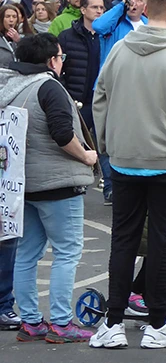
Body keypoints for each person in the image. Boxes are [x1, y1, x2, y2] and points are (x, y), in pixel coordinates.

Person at [90, 0, 166, 350]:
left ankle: (113, 322)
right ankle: (157, 322)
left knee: (122, 240)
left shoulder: (120, 50)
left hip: (124, 160)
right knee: (162, 244)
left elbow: (100, 98)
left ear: (146, 8)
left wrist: (107, 143)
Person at [0, 34, 97, 343]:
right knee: (67, 252)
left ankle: (30, 321)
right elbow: (62, 134)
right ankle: (61, 321)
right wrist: (86, 156)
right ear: (51, 61)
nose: (62, 62)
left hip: (22, 182)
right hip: (58, 183)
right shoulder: (49, 87)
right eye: (60, 57)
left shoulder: (11, 88)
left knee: (27, 253)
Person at [57, 0, 107, 204]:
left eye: (102, 8)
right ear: (83, 10)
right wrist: (67, 92)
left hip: (103, 100)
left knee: (105, 144)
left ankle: (110, 188)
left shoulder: (107, 35)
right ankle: (73, 183)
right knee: (77, 142)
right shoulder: (68, 36)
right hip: (78, 100)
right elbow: (60, 67)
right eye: (94, 7)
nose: (99, 11)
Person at [92, 0, 148, 72]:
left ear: (145, 6)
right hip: (112, 78)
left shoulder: (148, 25)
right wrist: (122, 6)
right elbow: (98, 26)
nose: (134, 3)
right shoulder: (115, 21)